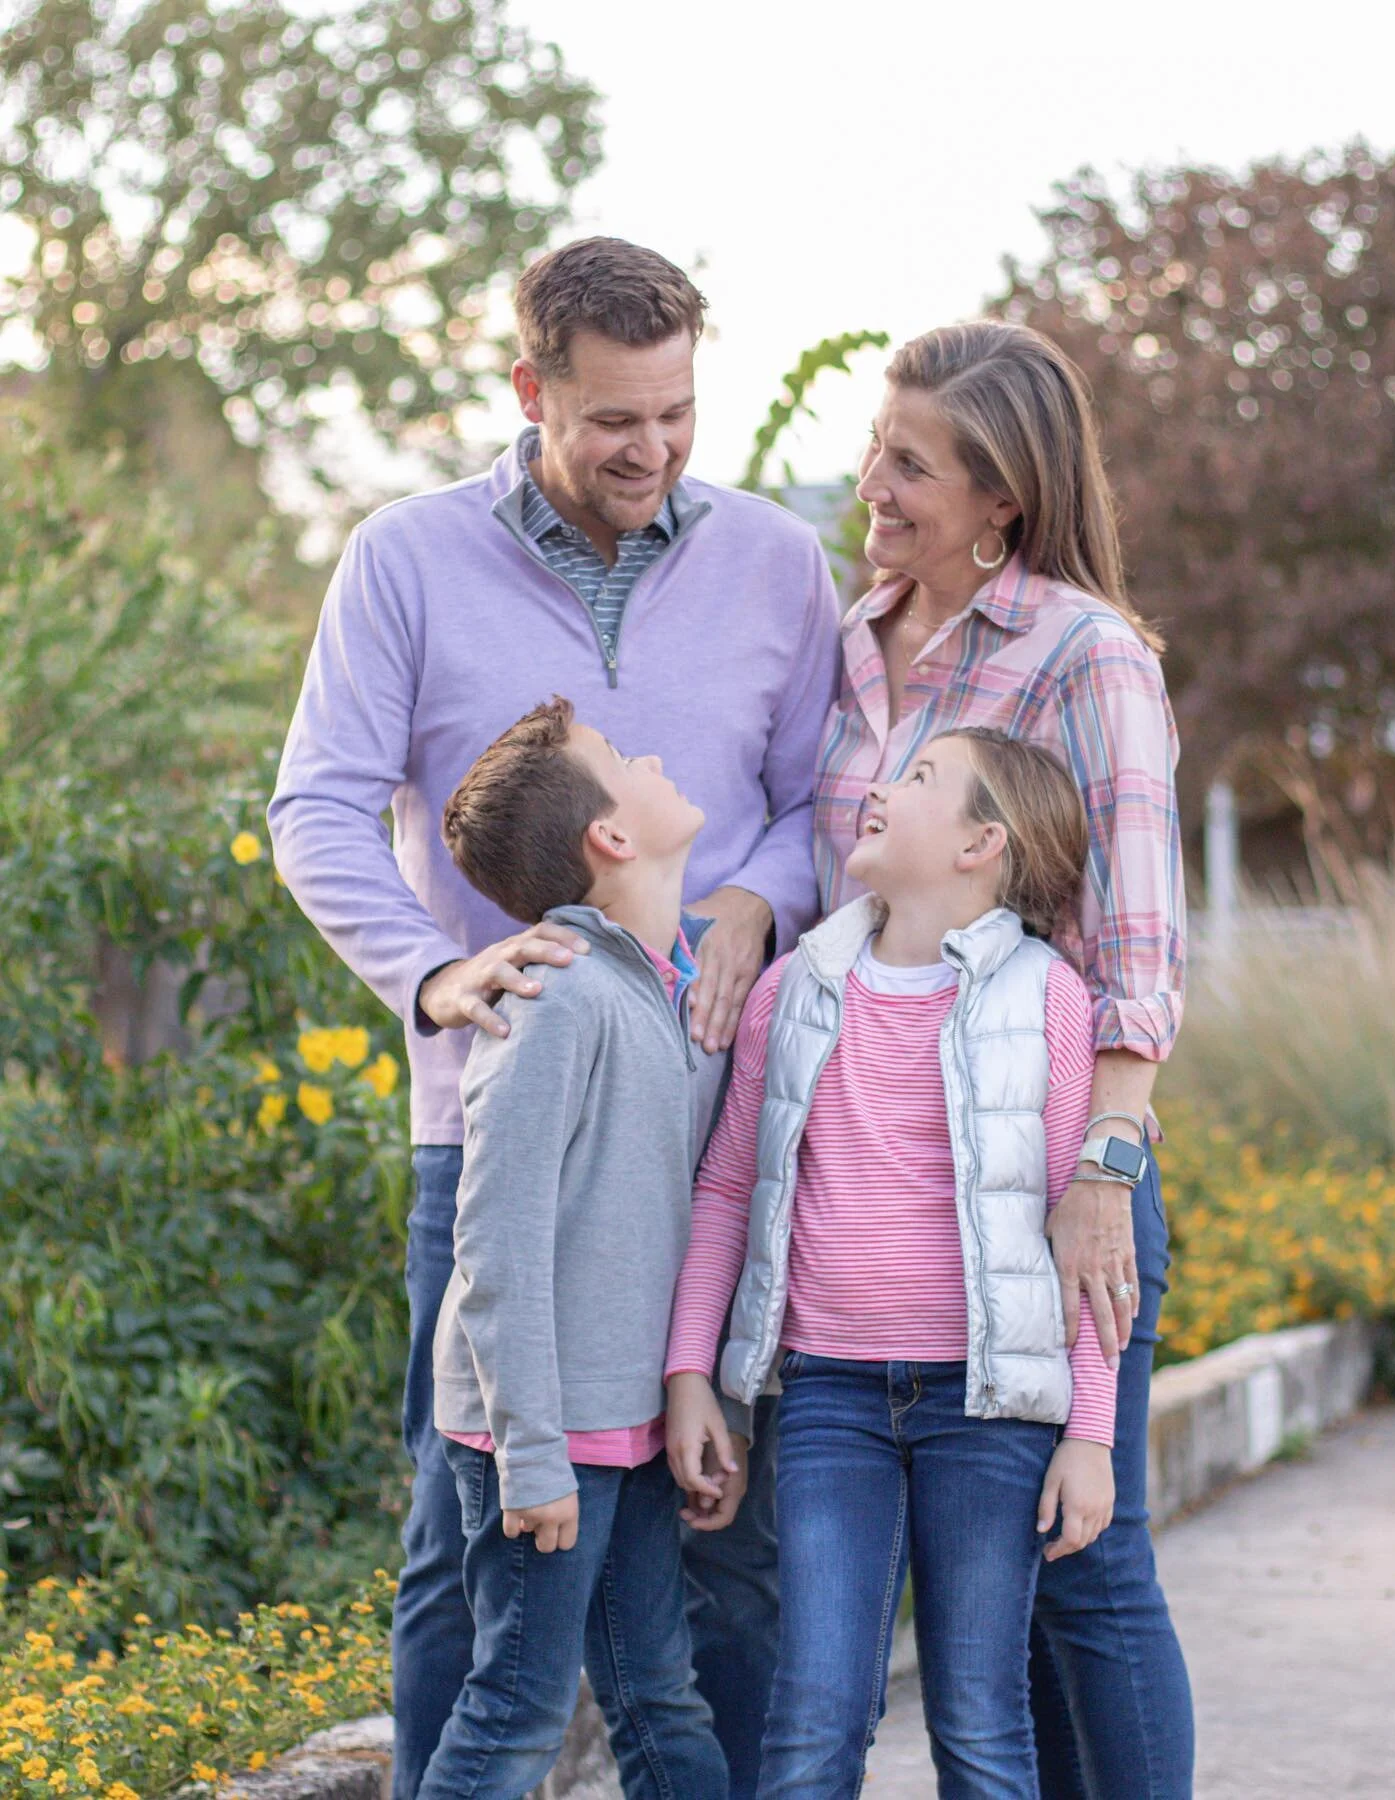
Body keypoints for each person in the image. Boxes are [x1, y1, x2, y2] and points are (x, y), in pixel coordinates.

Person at [268, 236, 841, 1800]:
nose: (650, 452)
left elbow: (816, 807)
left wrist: (752, 901)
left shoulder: (781, 562)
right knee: (464, 1553)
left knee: (725, 1554)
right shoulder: (404, 557)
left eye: (677, 413)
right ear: (530, 392)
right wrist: (432, 976)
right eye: (612, 421)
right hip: (493, 1122)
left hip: (714, 1141)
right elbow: (315, 808)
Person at [812, 321, 1192, 1797]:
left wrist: (1104, 1172)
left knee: (1087, 1569)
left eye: (914, 464)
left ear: (1002, 504)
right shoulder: (859, 638)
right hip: (882, 1198)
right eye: (877, 446)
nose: (876, 484)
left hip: (1046, 1182)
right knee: (997, 1607)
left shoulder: (1084, 655)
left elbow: (1141, 943)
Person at [667, 727, 1118, 1797]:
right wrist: (694, 1378)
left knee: (977, 1718)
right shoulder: (794, 989)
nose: (881, 785)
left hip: (991, 1406)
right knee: (816, 1715)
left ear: (980, 845)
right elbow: (728, 1190)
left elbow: (1077, 1235)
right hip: (828, 1399)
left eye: (920, 779)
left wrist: (1090, 1433)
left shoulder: (1046, 998)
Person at [417, 697, 735, 1799]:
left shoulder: (661, 983)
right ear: (611, 835)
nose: (650, 752)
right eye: (622, 756)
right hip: (544, 1440)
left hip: (627, 1428)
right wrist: (533, 1453)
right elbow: (496, 1240)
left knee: (658, 1701)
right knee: (516, 1715)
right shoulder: (553, 995)